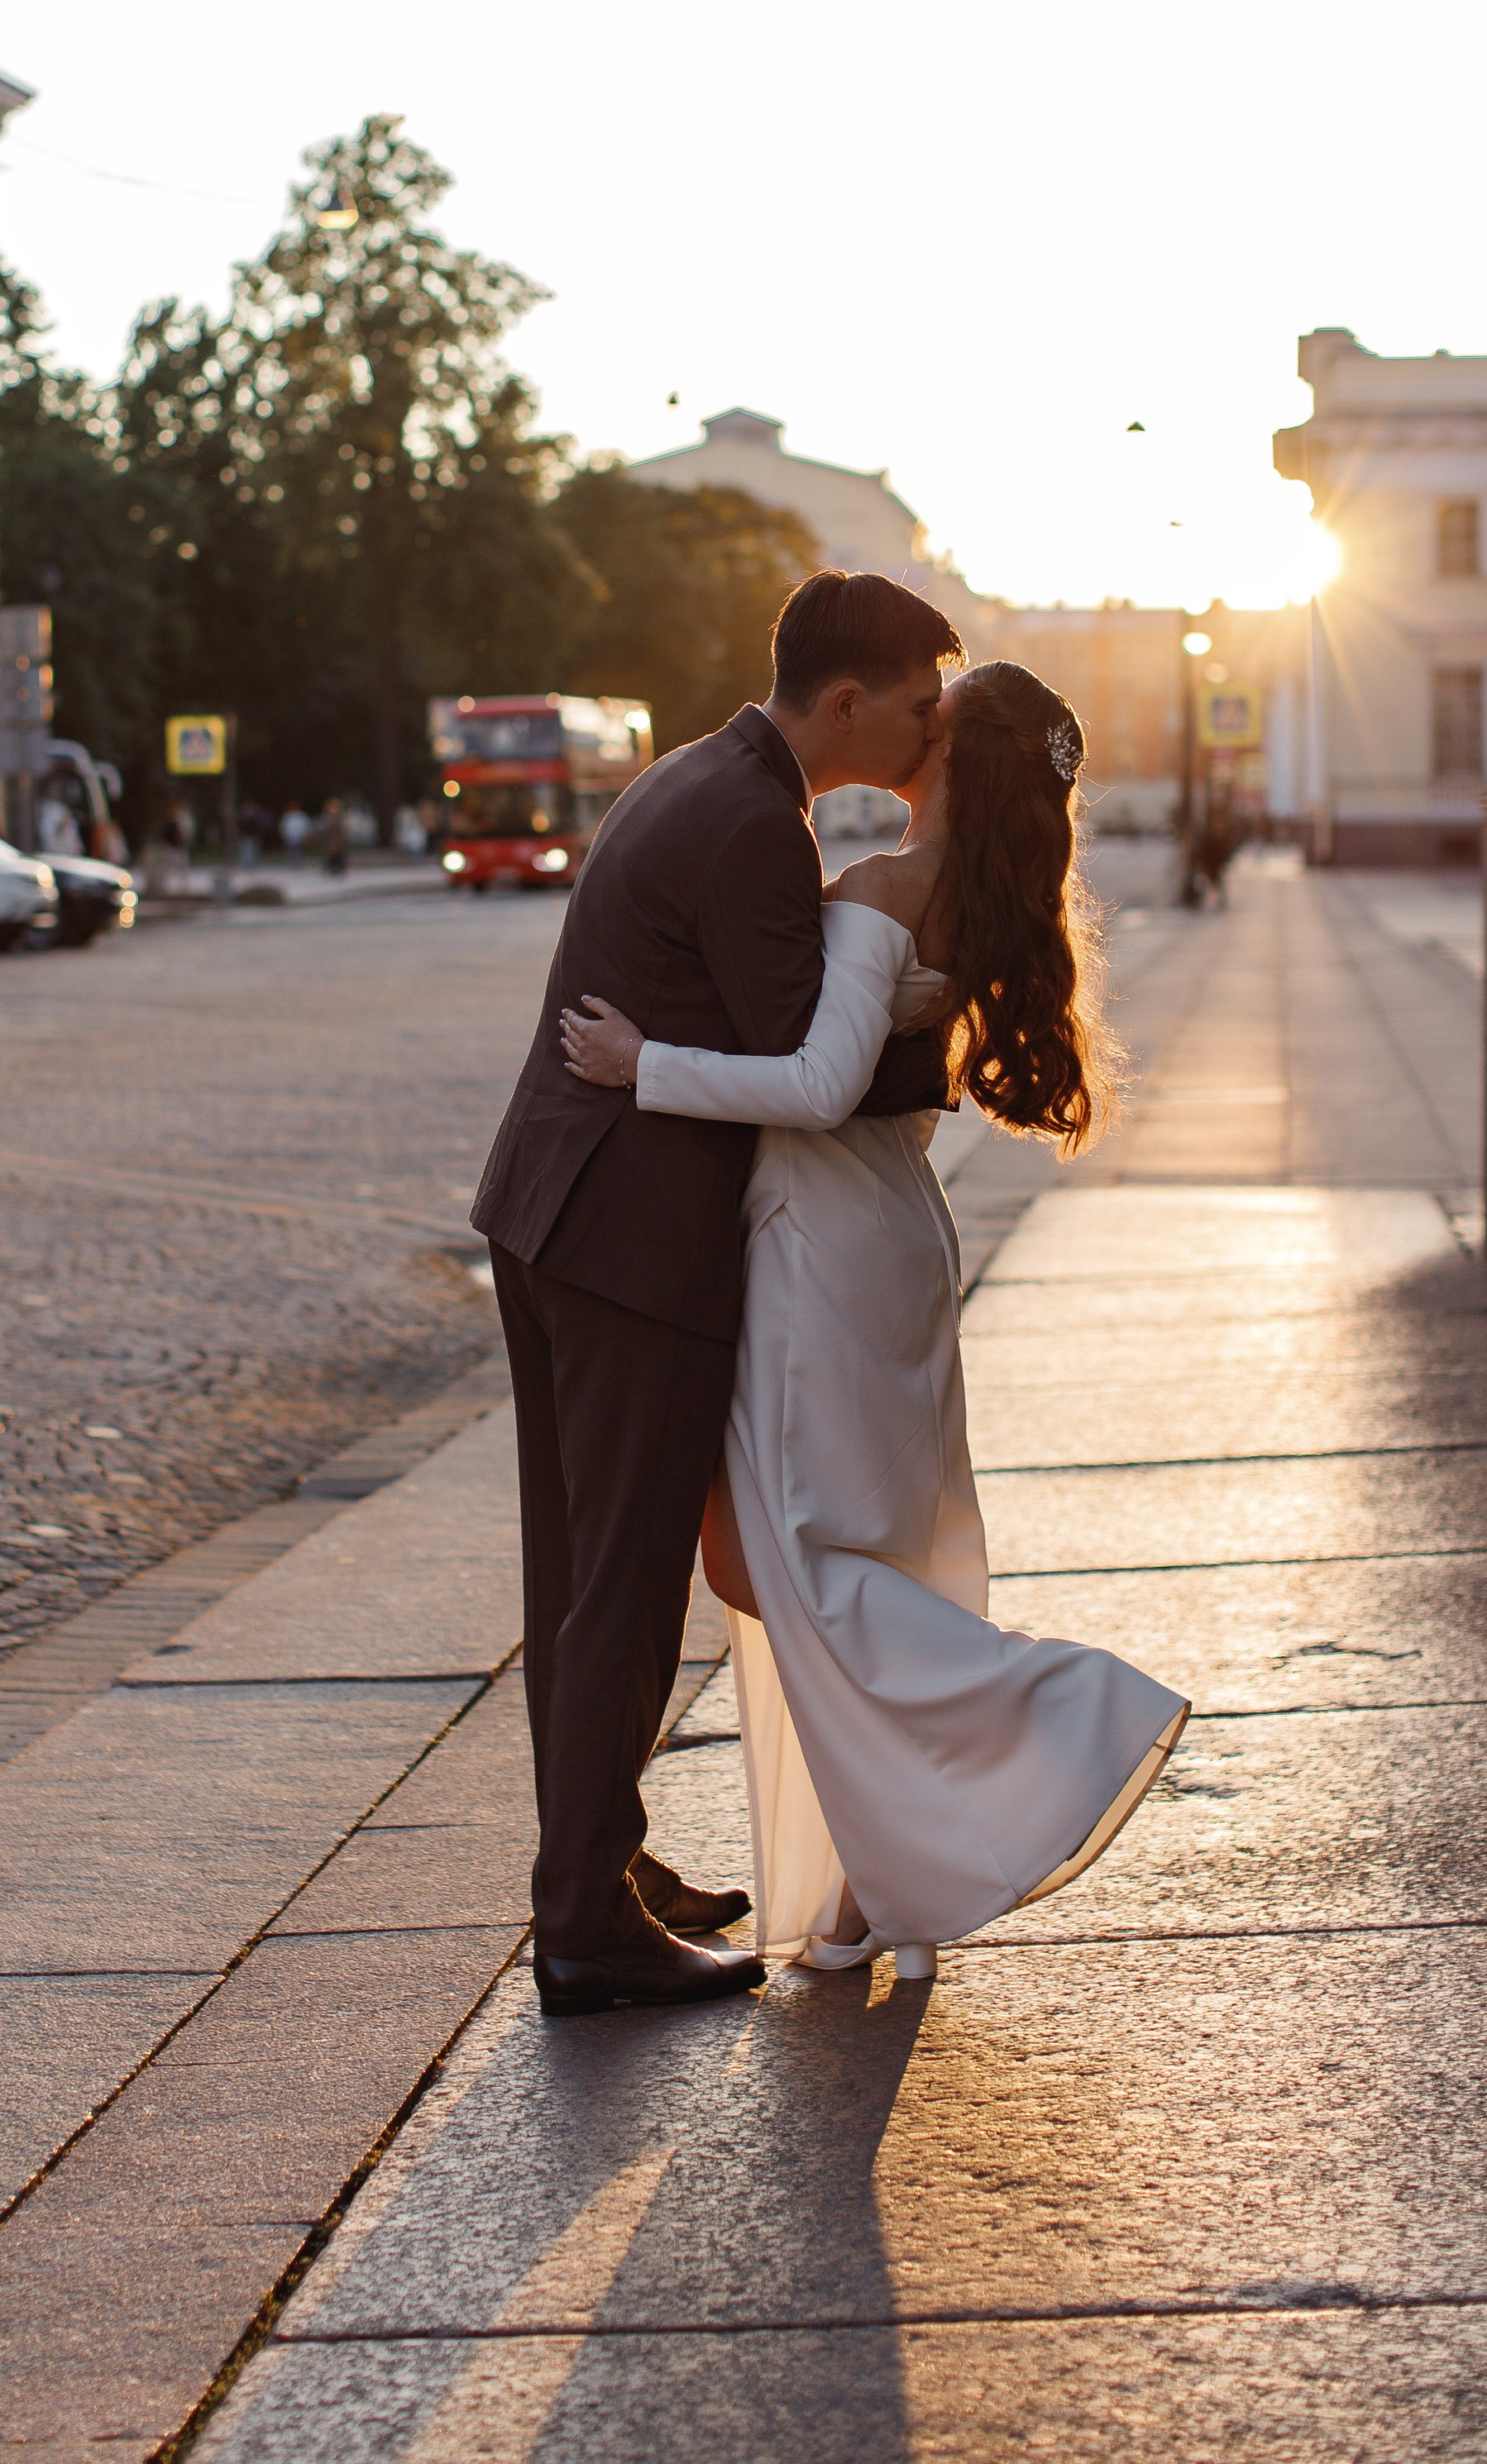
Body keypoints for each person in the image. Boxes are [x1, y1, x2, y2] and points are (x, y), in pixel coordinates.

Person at [561, 658, 1188, 1988]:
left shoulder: (882, 893)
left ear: (955, 754)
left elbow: (818, 1079)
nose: (911, 728)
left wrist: (643, 1066)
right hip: (897, 1240)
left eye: (933, 720)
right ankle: (865, 1895)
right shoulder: (983, 899)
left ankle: (1068, 1707)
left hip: (820, 1260)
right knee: (866, 1558)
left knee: (811, 1571)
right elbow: (881, 1081)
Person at [471, 569, 964, 2018]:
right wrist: (937, 1011)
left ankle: (602, 1862)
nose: (934, 732)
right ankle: (585, 1927)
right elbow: (813, 1070)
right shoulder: (753, 821)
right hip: (629, 1244)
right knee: (620, 1586)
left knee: (588, 1576)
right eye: (923, 706)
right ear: (852, 700)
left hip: (559, 1216)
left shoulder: (705, 772)